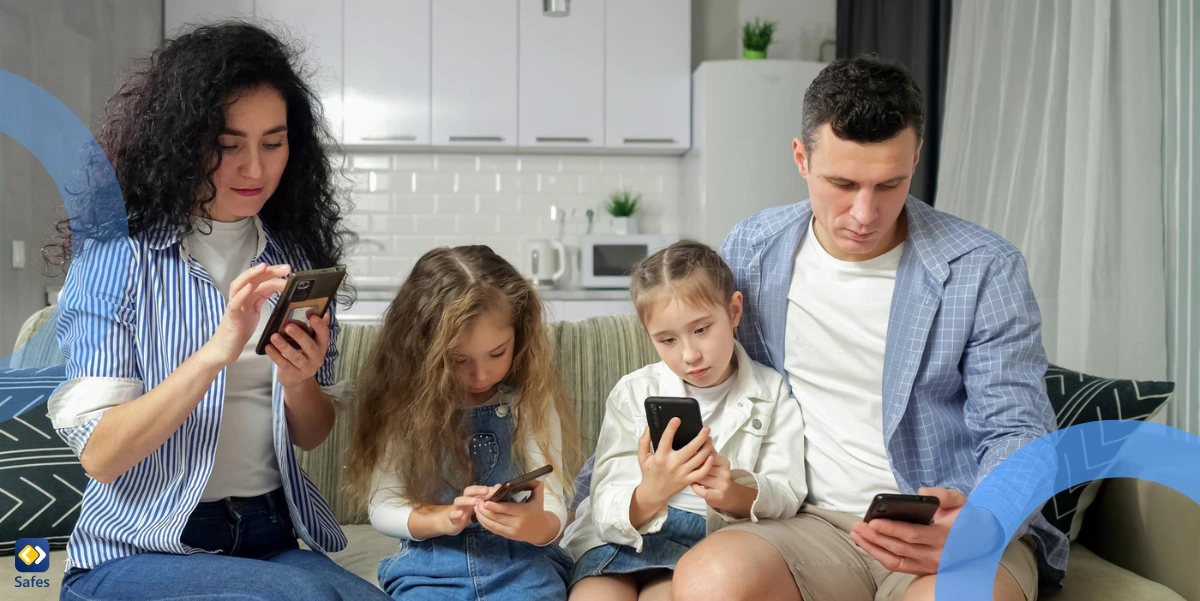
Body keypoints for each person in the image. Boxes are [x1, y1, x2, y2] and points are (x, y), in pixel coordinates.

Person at [669, 55, 1066, 601]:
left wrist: (986, 519)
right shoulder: (753, 249)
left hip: (945, 533)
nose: (864, 213)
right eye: (843, 182)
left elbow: (1019, 430)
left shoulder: (984, 267)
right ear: (801, 159)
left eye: (889, 184)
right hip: (807, 525)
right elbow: (698, 368)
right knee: (709, 581)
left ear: (916, 159)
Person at [46, 22, 390, 600]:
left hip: (269, 535)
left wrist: (300, 381)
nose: (254, 169)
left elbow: (311, 433)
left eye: (273, 143)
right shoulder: (118, 259)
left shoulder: (295, 259)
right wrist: (215, 353)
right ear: (181, 143)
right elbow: (102, 456)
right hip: (139, 549)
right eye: (228, 146)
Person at [561, 240, 807, 601]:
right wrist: (650, 492)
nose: (690, 354)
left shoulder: (771, 394)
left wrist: (734, 492)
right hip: (622, 538)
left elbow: (787, 493)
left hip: (705, 544)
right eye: (667, 340)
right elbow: (605, 504)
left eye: (702, 329)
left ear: (734, 311)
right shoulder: (633, 393)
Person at [345, 245, 583, 601]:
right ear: (422, 349)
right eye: (458, 360)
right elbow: (383, 506)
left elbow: (553, 497)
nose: (481, 374)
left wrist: (539, 525)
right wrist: (441, 519)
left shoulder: (530, 396)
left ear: (519, 334)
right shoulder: (401, 403)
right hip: (429, 568)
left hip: (522, 562)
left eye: (497, 353)